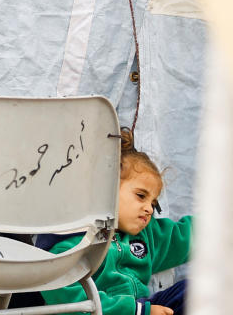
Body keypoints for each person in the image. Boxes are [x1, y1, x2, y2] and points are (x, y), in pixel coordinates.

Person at [40, 129, 192, 315]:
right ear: (106, 188)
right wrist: (136, 311)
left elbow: (185, 238)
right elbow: (67, 299)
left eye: (153, 203)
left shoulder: (146, 234)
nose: (150, 209)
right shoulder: (72, 241)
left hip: (143, 306)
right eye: (141, 196)